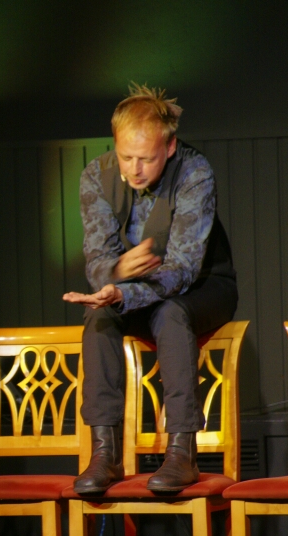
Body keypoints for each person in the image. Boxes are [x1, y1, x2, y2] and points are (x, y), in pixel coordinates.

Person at [63, 85, 237, 495]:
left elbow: (182, 270)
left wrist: (124, 291)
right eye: (126, 157)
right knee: (99, 316)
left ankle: (182, 452)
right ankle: (104, 453)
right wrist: (116, 273)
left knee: (170, 312)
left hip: (203, 286)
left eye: (146, 158)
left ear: (170, 147)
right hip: (134, 290)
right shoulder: (97, 175)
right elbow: (98, 260)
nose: (135, 169)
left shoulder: (194, 173)